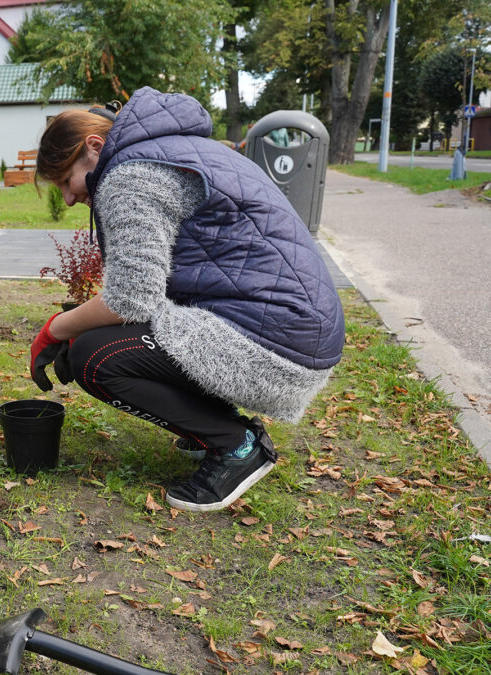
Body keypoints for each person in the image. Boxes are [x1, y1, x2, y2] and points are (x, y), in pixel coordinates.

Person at [30, 88, 344, 512]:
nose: (68, 198)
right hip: (295, 329)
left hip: (280, 345)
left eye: (66, 181)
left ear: (94, 147)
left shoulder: (130, 176)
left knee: (93, 355)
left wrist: (54, 329)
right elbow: (150, 291)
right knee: (98, 334)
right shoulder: (177, 149)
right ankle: (216, 426)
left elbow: (131, 301)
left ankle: (236, 446)